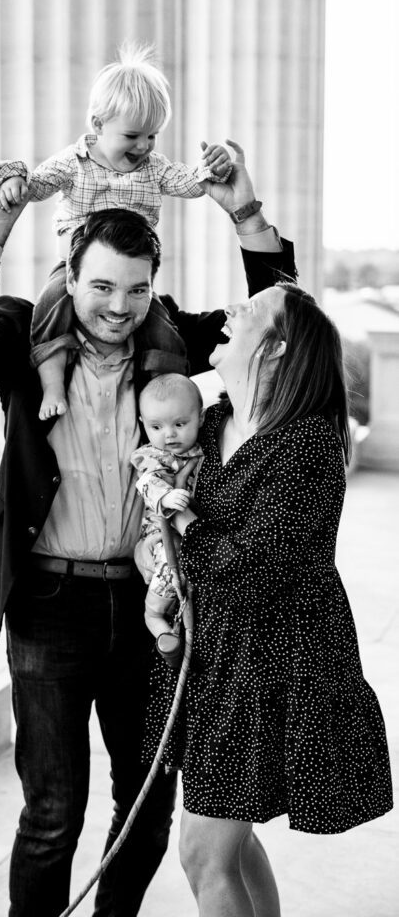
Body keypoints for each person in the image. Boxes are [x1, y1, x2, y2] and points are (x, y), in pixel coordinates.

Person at [0, 140, 296, 917]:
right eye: (101, 285)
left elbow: (279, 324)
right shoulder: (24, 336)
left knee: (146, 806)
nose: (118, 306)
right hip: (47, 606)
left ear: (152, 286)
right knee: (51, 815)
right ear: (70, 271)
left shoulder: (165, 345)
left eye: (135, 288)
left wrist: (244, 212)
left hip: (145, 607)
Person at [138, 283, 394, 917]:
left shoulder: (306, 445)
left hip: (274, 661)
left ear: (275, 348)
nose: (231, 312)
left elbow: (247, 566)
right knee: (231, 840)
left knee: (203, 851)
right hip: (219, 654)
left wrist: (183, 517)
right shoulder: (219, 420)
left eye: (248, 311)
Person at [0, 41, 232, 421]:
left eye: (152, 136)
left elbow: (188, 184)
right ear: (99, 125)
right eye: (133, 135)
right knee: (49, 310)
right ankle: (52, 383)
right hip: (79, 268)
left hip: (130, 269)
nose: (144, 146)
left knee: (164, 328)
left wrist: (210, 169)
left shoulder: (154, 168)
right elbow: (37, 186)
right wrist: (13, 180)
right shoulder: (75, 162)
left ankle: (160, 398)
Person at [130, 373, 205, 667]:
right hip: (160, 532)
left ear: (199, 417)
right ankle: (160, 628)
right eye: (156, 426)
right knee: (166, 572)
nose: (169, 434)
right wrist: (165, 497)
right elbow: (147, 482)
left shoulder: (202, 451)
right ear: (143, 423)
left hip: (194, 536)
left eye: (179, 424)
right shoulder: (153, 455)